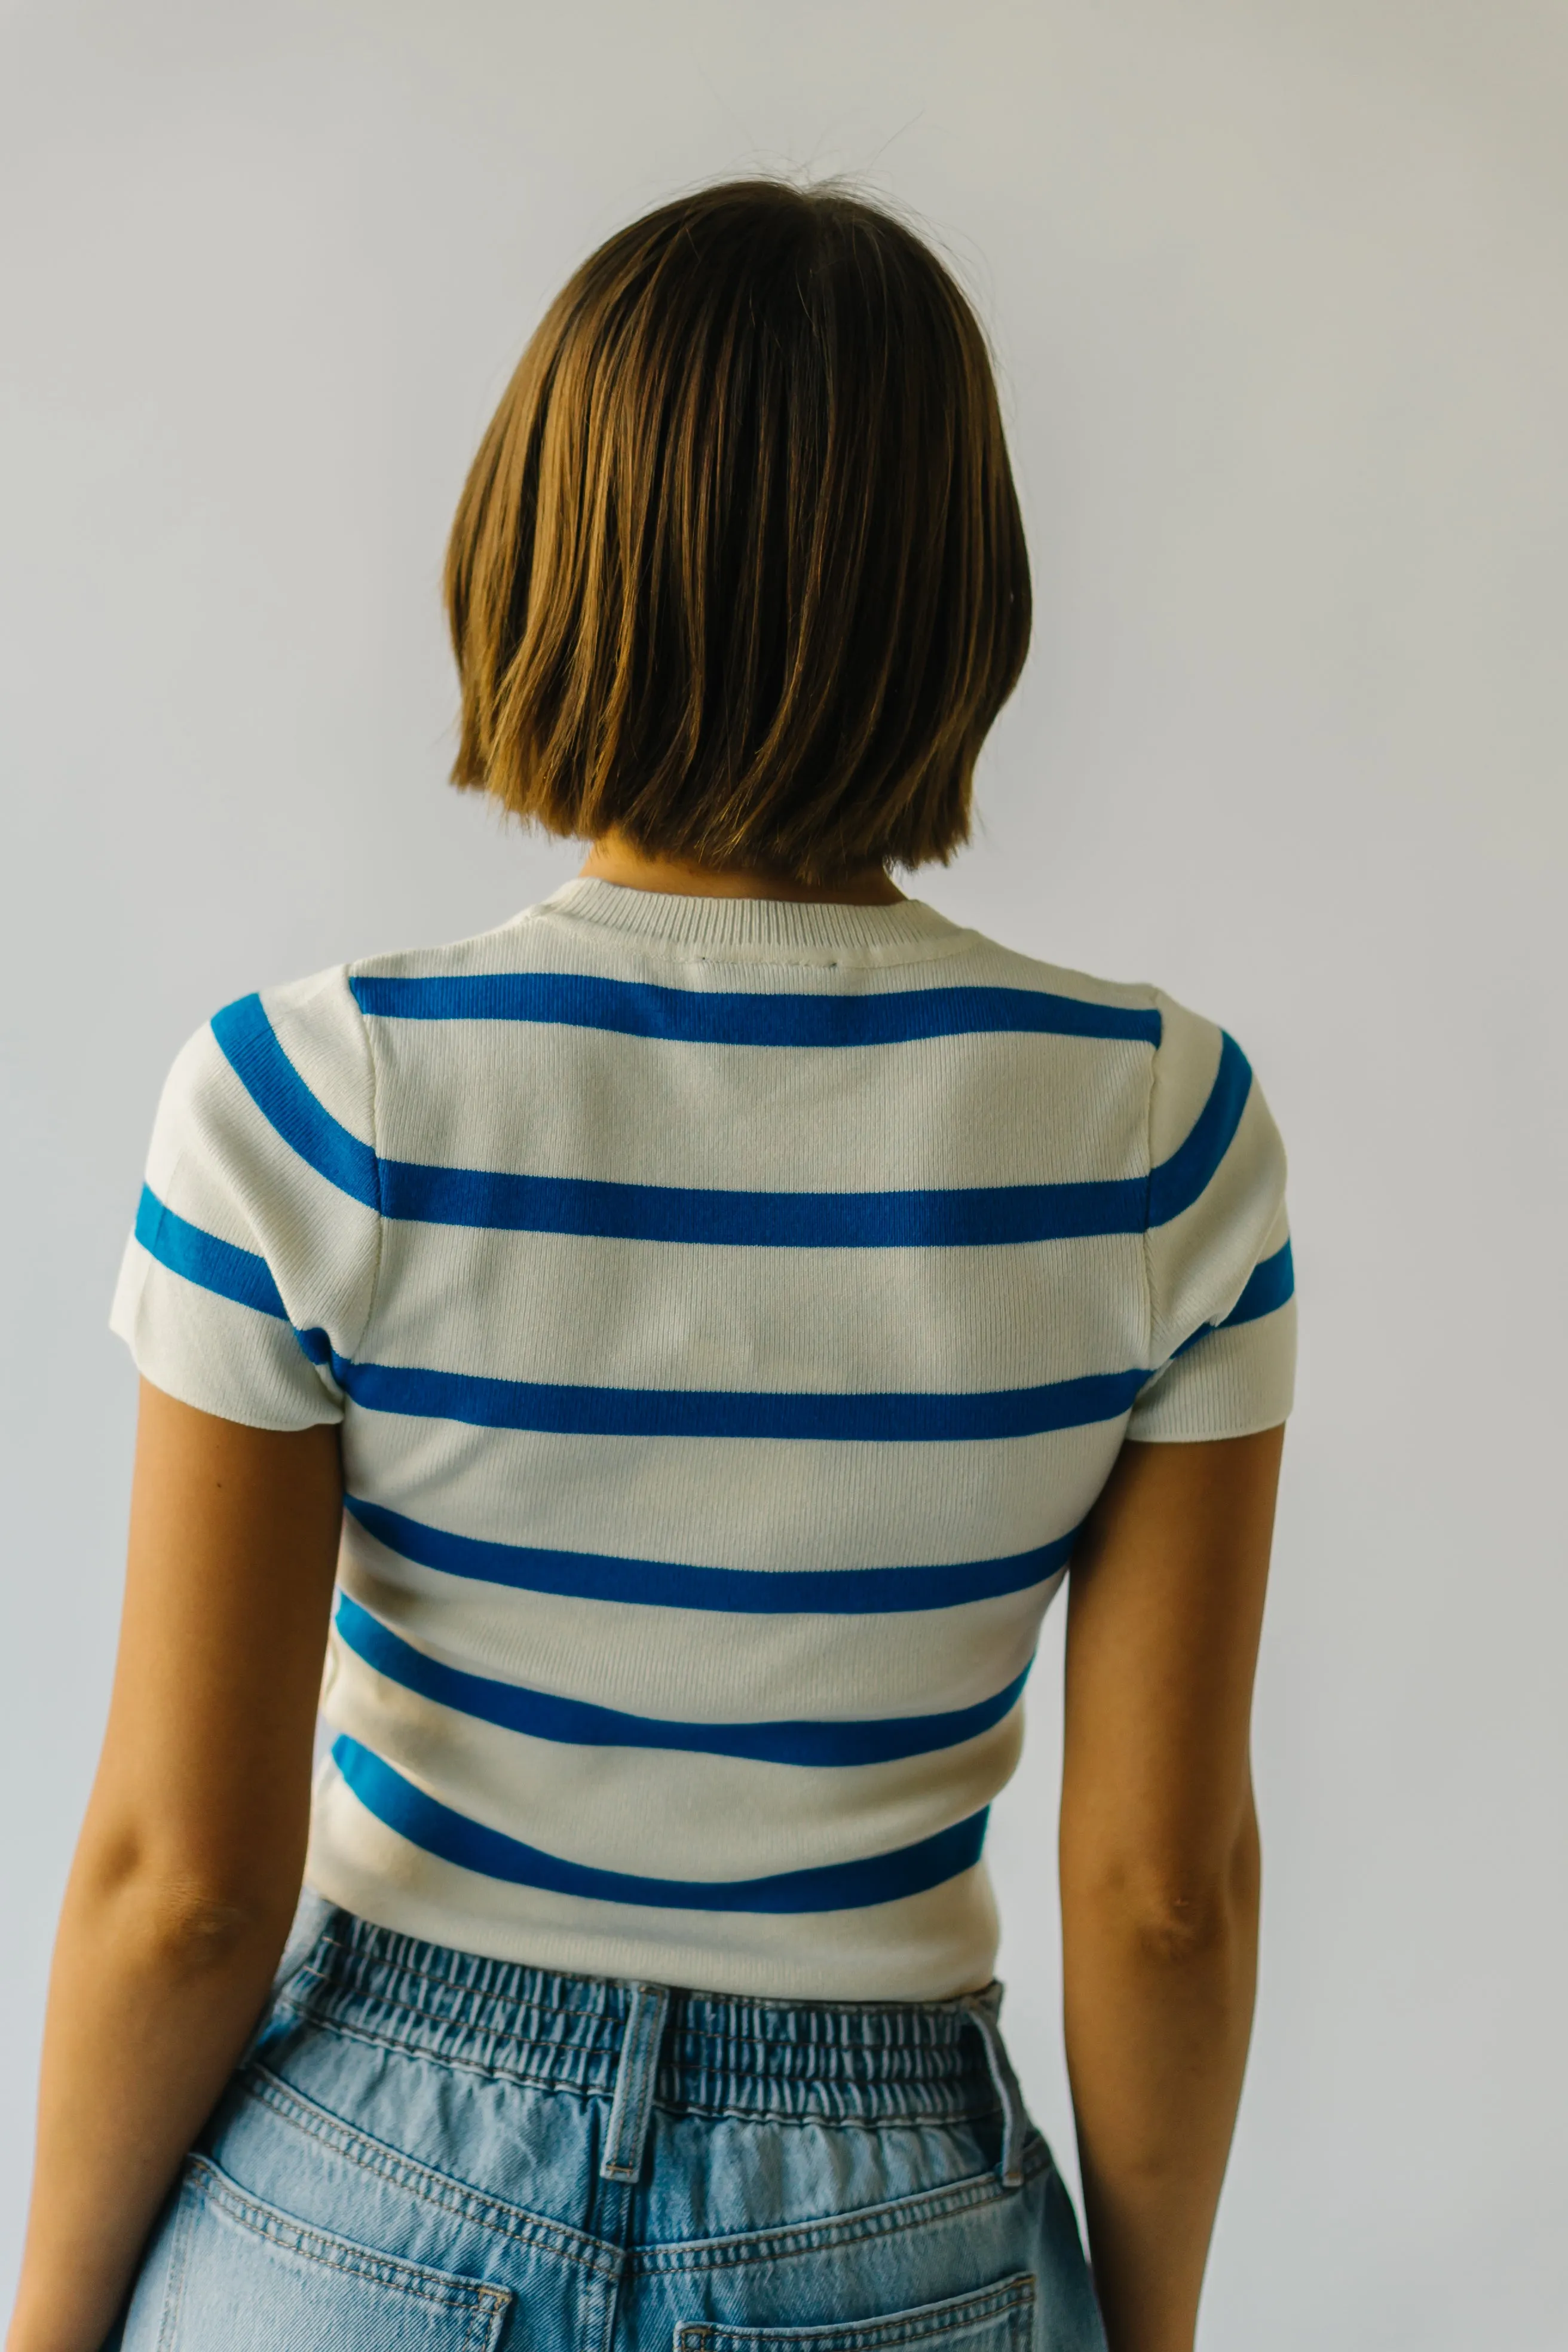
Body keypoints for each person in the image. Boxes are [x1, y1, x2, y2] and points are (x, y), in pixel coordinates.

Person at [8, 180, 1293, 2352]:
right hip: (890, 2211)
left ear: (538, 553)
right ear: (966, 599)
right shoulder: (1160, 1132)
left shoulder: (313, 1096)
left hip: (364, 2196)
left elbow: (185, 1881)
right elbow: (1162, 1903)